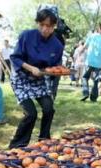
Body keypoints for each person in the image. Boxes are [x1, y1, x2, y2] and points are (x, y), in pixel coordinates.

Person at [8, 8, 64, 148]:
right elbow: (15, 58)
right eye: (42, 25)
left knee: (49, 108)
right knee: (31, 113)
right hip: (21, 78)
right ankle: (17, 146)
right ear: (38, 23)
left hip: (39, 80)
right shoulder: (26, 36)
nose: (45, 29)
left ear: (54, 26)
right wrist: (31, 68)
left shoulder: (57, 45)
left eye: (49, 26)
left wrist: (54, 72)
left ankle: (44, 140)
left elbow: (54, 66)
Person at [81, 23, 101, 102]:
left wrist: (80, 52)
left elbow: (85, 46)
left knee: (84, 77)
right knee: (96, 80)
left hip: (89, 60)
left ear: (98, 28)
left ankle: (85, 92)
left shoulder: (92, 36)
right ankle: (93, 98)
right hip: (98, 63)